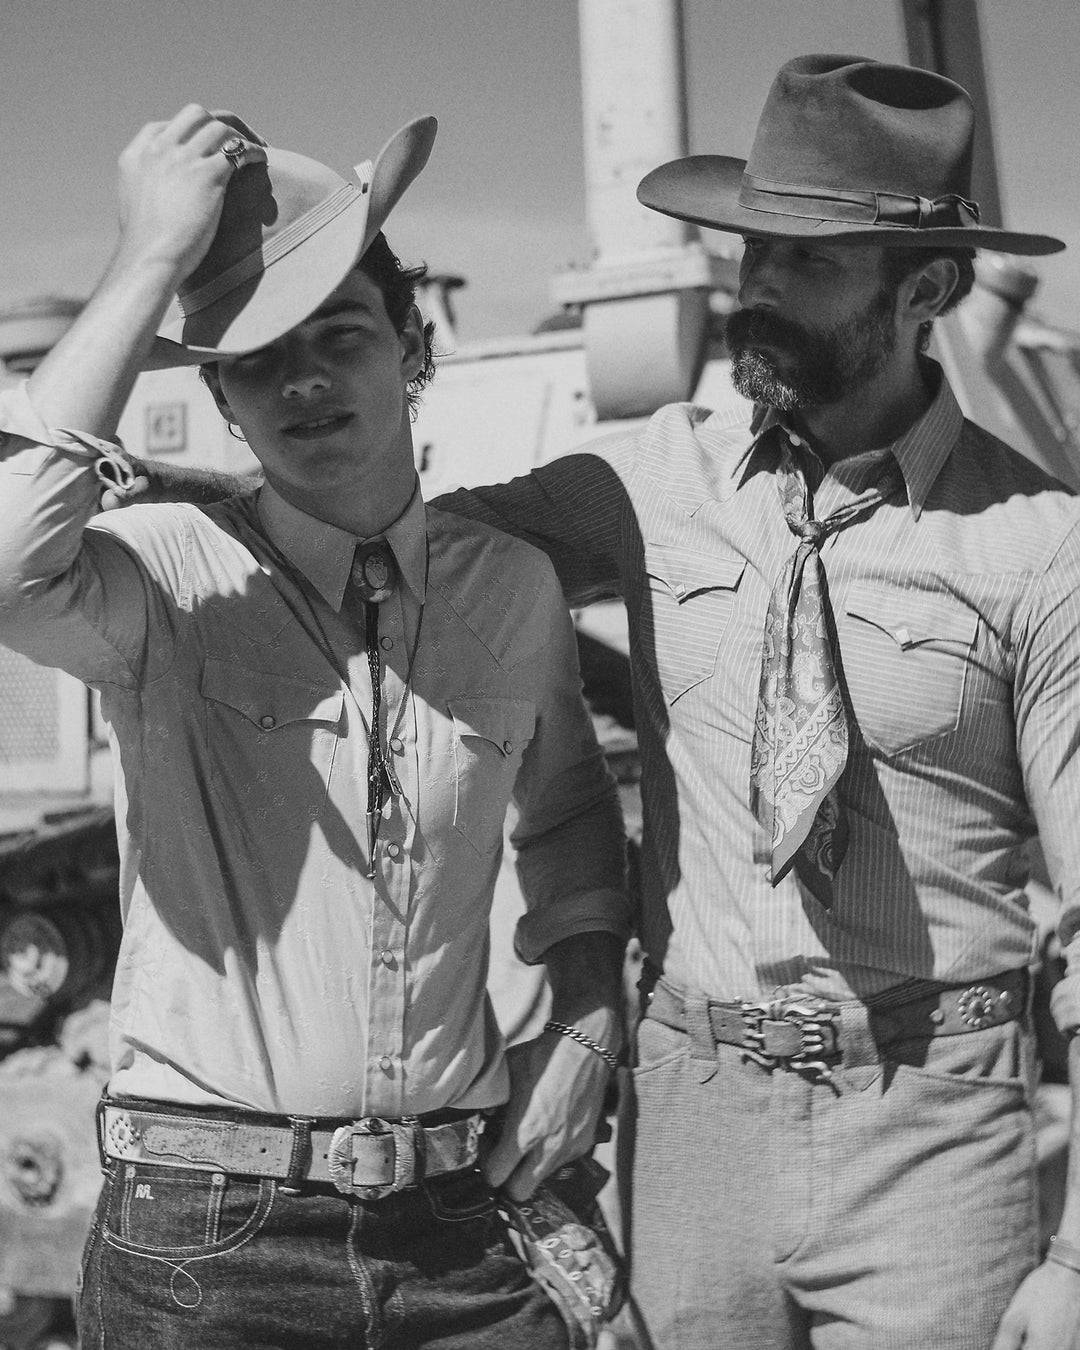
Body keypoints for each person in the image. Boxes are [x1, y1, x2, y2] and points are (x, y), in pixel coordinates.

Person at [103, 57, 1080, 1350]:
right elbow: (390, 529)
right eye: (752, 253)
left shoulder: (1041, 545)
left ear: (930, 290)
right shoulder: (645, 479)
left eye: (809, 262)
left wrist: (1073, 1254)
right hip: (691, 1124)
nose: (759, 290)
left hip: (936, 1135)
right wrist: (165, 485)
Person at [0, 105, 631, 1350]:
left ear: (414, 348)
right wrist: (149, 261)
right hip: (208, 1245)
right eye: (252, 361)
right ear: (225, 403)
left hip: (462, 1228)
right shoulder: (162, 572)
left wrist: (586, 1015)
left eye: (340, 336)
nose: (300, 381)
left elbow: (563, 812)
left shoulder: (510, 587)